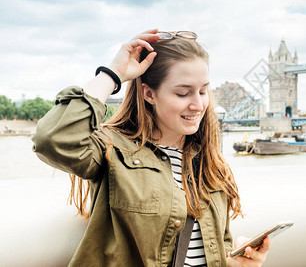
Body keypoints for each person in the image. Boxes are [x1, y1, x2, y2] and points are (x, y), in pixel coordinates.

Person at [32, 29, 270, 266]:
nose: (198, 105)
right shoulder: (114, 150)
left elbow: (211, 248)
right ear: (149, 94)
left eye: (203, 91)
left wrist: (234, 262)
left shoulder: (210, 163)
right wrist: (113, 74)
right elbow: (52, 139)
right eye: (183, 93)